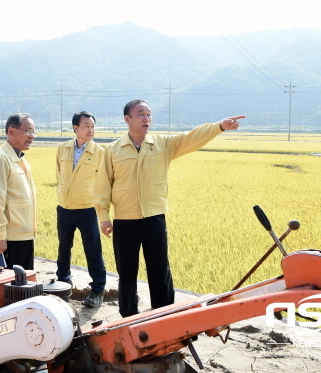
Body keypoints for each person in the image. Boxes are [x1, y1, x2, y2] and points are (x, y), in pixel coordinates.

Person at [95, 99, 244, 317]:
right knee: (126, 273)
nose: (146, 118)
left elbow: (191, 137)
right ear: (127, 119)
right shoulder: (113, 150)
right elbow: (102, 184)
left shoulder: (163, 144)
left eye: (149, 114)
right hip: (125, 221)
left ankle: (163, 315)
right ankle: (128, 318)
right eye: (140, 114)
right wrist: (103, 216)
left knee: (160, 271)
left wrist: (219, 127)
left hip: (154, 219)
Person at [55, 111, 107, 307]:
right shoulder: (62, 148)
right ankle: (62, 282)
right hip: (64, 208)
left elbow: (103, 183)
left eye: (93, 126)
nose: (90, 130)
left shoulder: (100, 152)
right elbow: (59, 175)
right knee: (63, 248)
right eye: (86, 126)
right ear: (75, 128)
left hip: (87, 209)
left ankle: (97, 289)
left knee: (93, 250)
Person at [0, 113, 37, 270]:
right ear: (11, 131)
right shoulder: (0, 159)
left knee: (23, 288)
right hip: (8, 239)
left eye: (33, 131)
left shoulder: (20, 160)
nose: (31, 136)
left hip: (24, 236)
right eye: (28, 131)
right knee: (7, 290)